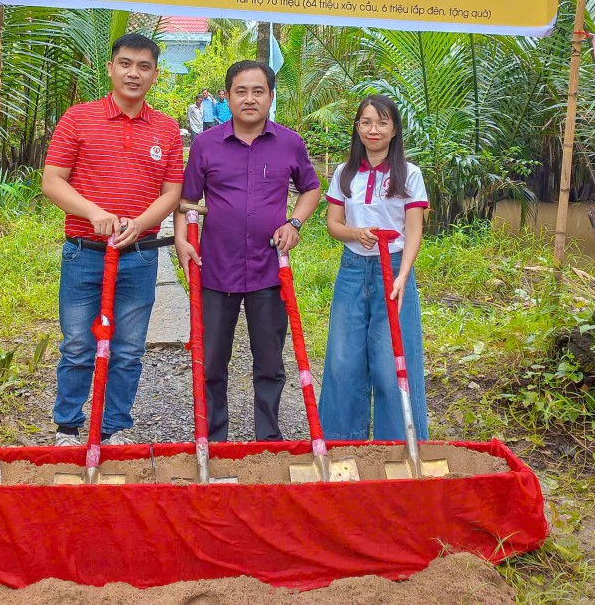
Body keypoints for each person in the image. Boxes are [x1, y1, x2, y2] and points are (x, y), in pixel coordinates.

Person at [42, 33, 184, 447]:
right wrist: (94, 213)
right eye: (125, 64)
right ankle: (68, 428)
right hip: (84, 253)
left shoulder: (167, 129)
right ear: (110, 68)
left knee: (128, 349)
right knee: (77, 345)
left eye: (143, 66)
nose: (133, 73)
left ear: (155, 74)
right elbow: (52, 181)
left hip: (139, 257)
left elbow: (172, 193)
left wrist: (139, 224)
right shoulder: (78, 118)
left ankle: (113, 429)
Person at [174, 61, 321, 441]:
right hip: (215, 268)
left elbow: (311, 188)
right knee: (210, 362)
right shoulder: (206, 145)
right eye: (241, 91)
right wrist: (181, 240)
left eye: (258, 91)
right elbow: (186, 200)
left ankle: (268, 440)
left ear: (271, 96)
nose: (250, 99)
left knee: (270, 363)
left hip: (268, 270)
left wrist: (295, 223)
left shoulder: (290, 142)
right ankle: (213, 441)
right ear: (227, 96)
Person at [318, 94, 429, 443]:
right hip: (352, 270)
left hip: (393, 270)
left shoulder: (409, 174)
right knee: (343, 359)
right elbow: (333, 224)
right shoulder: (344, 173)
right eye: (366, 122)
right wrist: (356, 233)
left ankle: (397, 446)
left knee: (392, 361)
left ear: (394, 129)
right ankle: (341, 444)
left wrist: (402, 276)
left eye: (382, 122)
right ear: (357, 128)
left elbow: (414, 231)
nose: (373, 129)